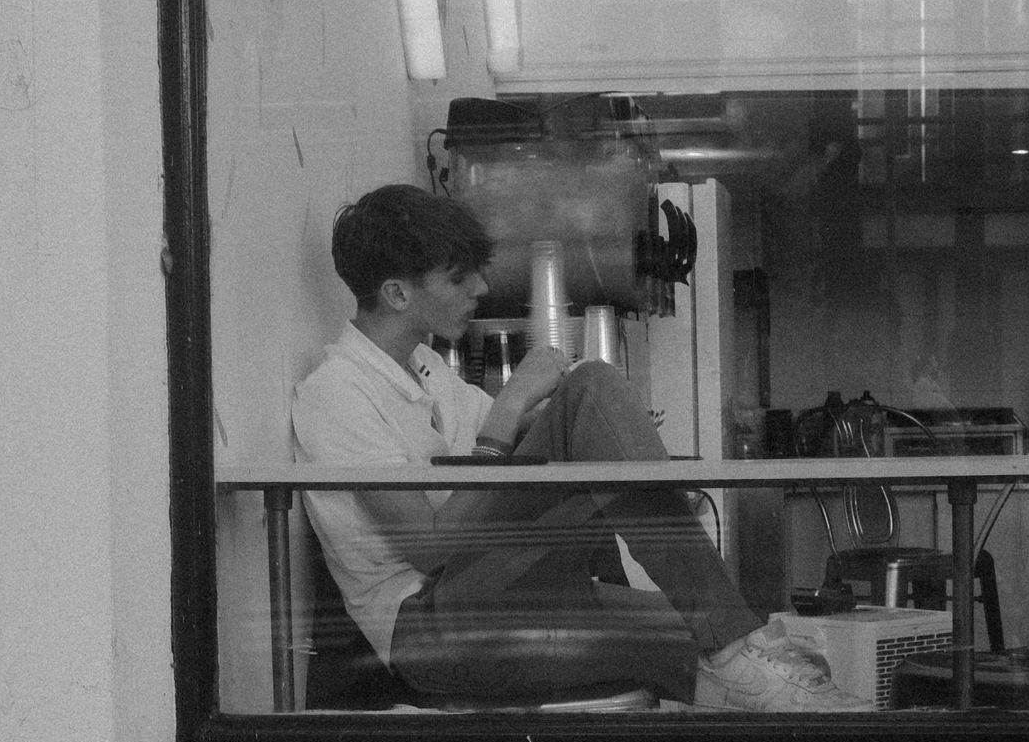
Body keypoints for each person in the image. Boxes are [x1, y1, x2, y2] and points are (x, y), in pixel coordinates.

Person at [291, 183, 866, 711]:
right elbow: (431, 547)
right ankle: (739, 649)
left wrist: (626, 445)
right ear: (396, 293)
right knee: (590, 386)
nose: (481, 289)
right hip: (430, 629)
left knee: (697, 633)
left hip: (499, 593)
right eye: (458, 277)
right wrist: (515, 401)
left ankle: (765, 671)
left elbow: (527, 447)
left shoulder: (424, 370)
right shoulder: (336, 394)